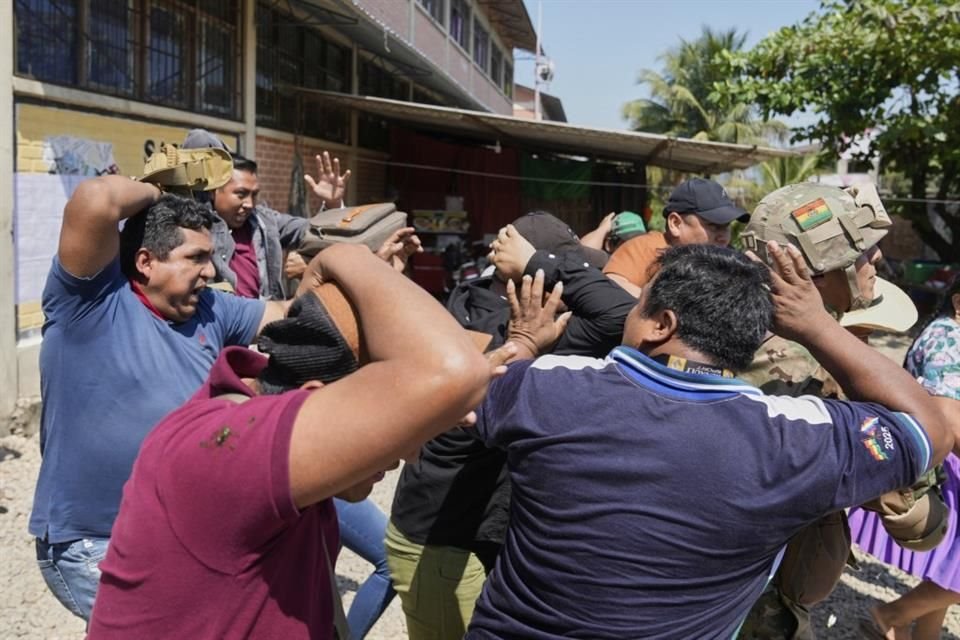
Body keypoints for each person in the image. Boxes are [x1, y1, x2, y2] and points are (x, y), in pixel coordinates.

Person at [463, 241, 957, 639]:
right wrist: (816, 325)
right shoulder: (795, 439)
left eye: (637, 305)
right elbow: (930, 429)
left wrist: (524, 343)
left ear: (661, 323)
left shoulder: (548, 387)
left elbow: (460, 393)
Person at [86, 244, 495, 639]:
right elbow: (453, 370)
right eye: (397, 431)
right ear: (314, 396)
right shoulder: (222, 452)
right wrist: (341, 255)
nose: (411, 452)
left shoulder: (285, 464)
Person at [30, 173, 291, 622]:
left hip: (177, 533)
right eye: (196, 257)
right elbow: (96, 199)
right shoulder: (89, 303)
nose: (211, 271)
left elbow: (287, 318)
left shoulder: (209, 307)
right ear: (147, 261)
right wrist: (161, 193)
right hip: (94, 542)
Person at [386, 211, 636, 640]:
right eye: (560, 271)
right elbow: (621, 314)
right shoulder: (524, 337)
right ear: (531, 279)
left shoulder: (472, 301)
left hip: (454, 535)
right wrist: (538, 261)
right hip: (444, 545)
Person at [736, 182, 947, 640]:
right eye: (864, 253)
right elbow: (917, 522)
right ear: (813, 271)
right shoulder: (807, 362)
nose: (877, 263)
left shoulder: (730, 324)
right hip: (760, 601)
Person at [850, 275, 960, 640]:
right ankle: (888, 615)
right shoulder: (948, 338)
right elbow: (949, 420)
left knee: (948, 568)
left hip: (946, 459)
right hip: (947, 461)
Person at [182, 129, 351, 300]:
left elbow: (310, 231)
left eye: (254, 195)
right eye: (241, 194)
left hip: (265, 320)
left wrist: (333, 204)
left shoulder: (264, 221)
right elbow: (198, 138)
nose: (249, 204)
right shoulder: (195, 226)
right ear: (213, 191)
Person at [603, 177, 746, 296]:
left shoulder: (729, 259)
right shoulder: (646, 248)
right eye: (713, 226)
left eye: (726, 226)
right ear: (676, 224)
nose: (723, 237)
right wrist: (659, 306)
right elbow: (612, 284)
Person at [580, 210, 648, 255]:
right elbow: (581, 255)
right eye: (628, 243)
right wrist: (602, 229)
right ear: (610, 246)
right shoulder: (607, 266)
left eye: (640, 242)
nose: (635, 248)